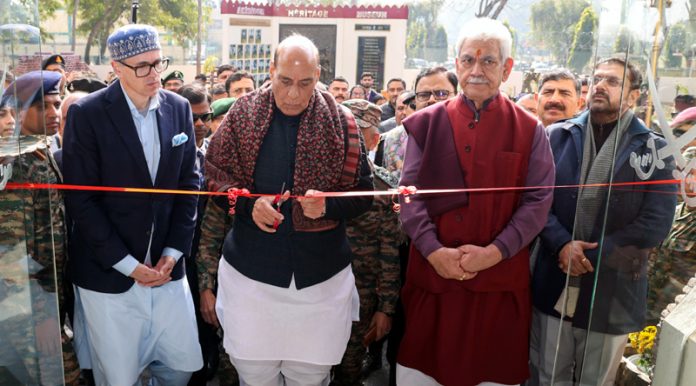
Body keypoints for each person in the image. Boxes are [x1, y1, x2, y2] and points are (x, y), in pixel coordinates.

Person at [204, 33, 373, 386]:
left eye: (305, 83)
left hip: (321, 280)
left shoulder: (342, 122)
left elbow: (364, 195)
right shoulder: (242, 114)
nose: (294, 94)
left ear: (318, 76)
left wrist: (329, 205)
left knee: (310, 376)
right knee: (254, 374)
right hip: (251, 277)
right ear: (271, 70)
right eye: (285, 81)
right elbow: (212, 177)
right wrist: (248, 206)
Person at [397, 18, 555, 386]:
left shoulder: (530, 129)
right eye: (468, 60)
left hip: (497, 286)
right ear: (456, 64)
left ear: (507, 67)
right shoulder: (426, 123)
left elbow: (537, 204)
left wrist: (495, 252)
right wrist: (435, 252)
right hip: (434, 283)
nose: (476, 70)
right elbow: (409, 196)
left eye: (488, 61)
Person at [62, 24, 203, 385]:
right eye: (143, 66)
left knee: (181, 366)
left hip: (167, 270)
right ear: (117, 68)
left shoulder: (179, 108)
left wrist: (173, 253)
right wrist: (128, 266)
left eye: (159, 63)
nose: (155, 74)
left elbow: (190, 186)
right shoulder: (88, 114)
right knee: (119, 376)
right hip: (110, 275)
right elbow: (82, 200)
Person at [530, 57, 677, 386]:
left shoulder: (655, 149)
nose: (599, 86)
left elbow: (655, 222)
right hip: (555, 278)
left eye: (612, 81)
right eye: (595, 79)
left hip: (611, 287)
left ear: (633, 96)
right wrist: (562, 245)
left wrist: (586, 254)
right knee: (546, 376)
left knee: (595, 381)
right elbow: (536, 202)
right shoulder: (555, 137)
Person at [0, 70, 80, 386]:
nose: (53, 113)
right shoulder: (16, 162)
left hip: (45, 299)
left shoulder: (38, 150)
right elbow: (11, 253)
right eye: (43, 106)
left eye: (57, 104)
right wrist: (44, 317)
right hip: (25, 305)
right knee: (62, 377)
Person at [332, 100, 402, 386]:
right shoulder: (317, 178)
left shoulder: (384, 187)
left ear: (375, 138)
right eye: (344, 130)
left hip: (360, 297)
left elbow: (389, 253)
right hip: (315, 291)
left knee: (349, 370)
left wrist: (386, 308)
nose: (349, 139)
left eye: (358, 132)